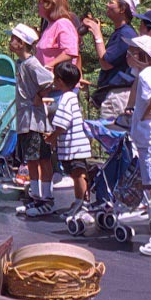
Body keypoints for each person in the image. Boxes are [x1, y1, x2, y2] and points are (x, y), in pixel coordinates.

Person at [9, 22, 56, 217]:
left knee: (40, 159)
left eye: (13, 39)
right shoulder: (21, 63)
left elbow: (49, 79)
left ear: (21, 43)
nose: (10, 42)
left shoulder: (32, 63)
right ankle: (36, 196)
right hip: (25, 119)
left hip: (35, 120)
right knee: (32, 160)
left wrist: (39, 95)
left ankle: (46, 199)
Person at [45, 60, 92, 225]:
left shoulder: (66, 98)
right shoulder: (72, 96)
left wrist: (52, 136)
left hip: (74, 146)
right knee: (77, 173)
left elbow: (62, 123)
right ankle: (80, 201)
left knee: (78, 174)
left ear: (60, 81)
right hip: (75, 144)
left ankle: (82, 203)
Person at [82, 0, 139, 118]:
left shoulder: (126, 35)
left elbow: (105, 62)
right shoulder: (121, 33)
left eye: (112, 2)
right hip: (116, 95)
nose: (107, 4)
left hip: (118, 97)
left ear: (123, 9)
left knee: (113, 135)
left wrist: (97, 34)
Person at [123, 36, 151, 257]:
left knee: (150, 186)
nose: (128, 55)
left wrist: (143, 116)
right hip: (144, 137)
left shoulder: (146, 75)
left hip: (147, 138)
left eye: (132, 51)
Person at [34, 0, 80, 72]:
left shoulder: (63, 24)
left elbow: (70, 52)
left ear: (49, 5)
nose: (38, 6)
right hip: (47, 80)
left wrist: (49, 65)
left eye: (40, 3)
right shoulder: (50, 25)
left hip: (59, 80)